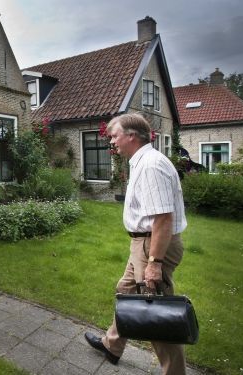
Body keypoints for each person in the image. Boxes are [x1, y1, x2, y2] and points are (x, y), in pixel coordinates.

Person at [84, 113, 188, 375]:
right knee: (127, 290)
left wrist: (154, 263)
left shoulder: (150, 165)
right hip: (142, 245)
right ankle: (112, 345)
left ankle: (174, 372)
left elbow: (163, 218)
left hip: (151, 246)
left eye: (115, 135)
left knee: (156, 313)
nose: (112, 141)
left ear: (131, 135)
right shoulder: (141, 161)